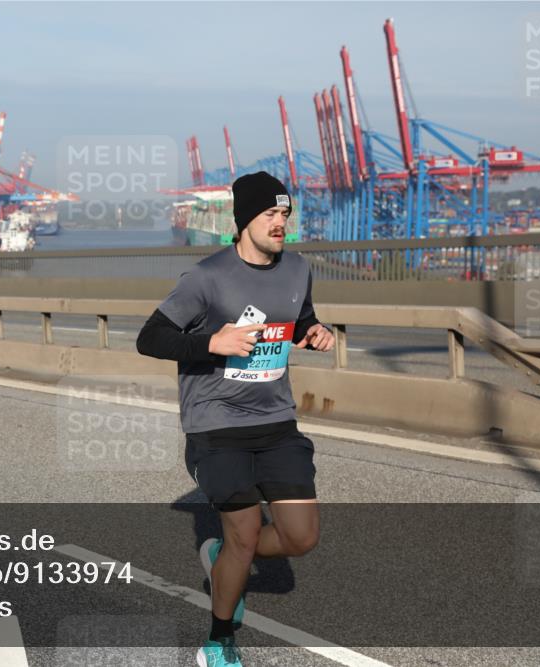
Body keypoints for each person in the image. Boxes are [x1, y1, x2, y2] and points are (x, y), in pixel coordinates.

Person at [136, 172, 334, 667]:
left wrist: (314, 332)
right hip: (215, 425)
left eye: (285, 215)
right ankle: (219, 642)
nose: (280, 223)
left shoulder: (297, 269)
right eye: (270, 214)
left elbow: (299, 316)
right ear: (244, 219)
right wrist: (212, 343)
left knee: (300, 538)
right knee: (244, 535)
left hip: (276, 421)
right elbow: (150, 338)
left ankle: (220, 557)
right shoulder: (207, 277)